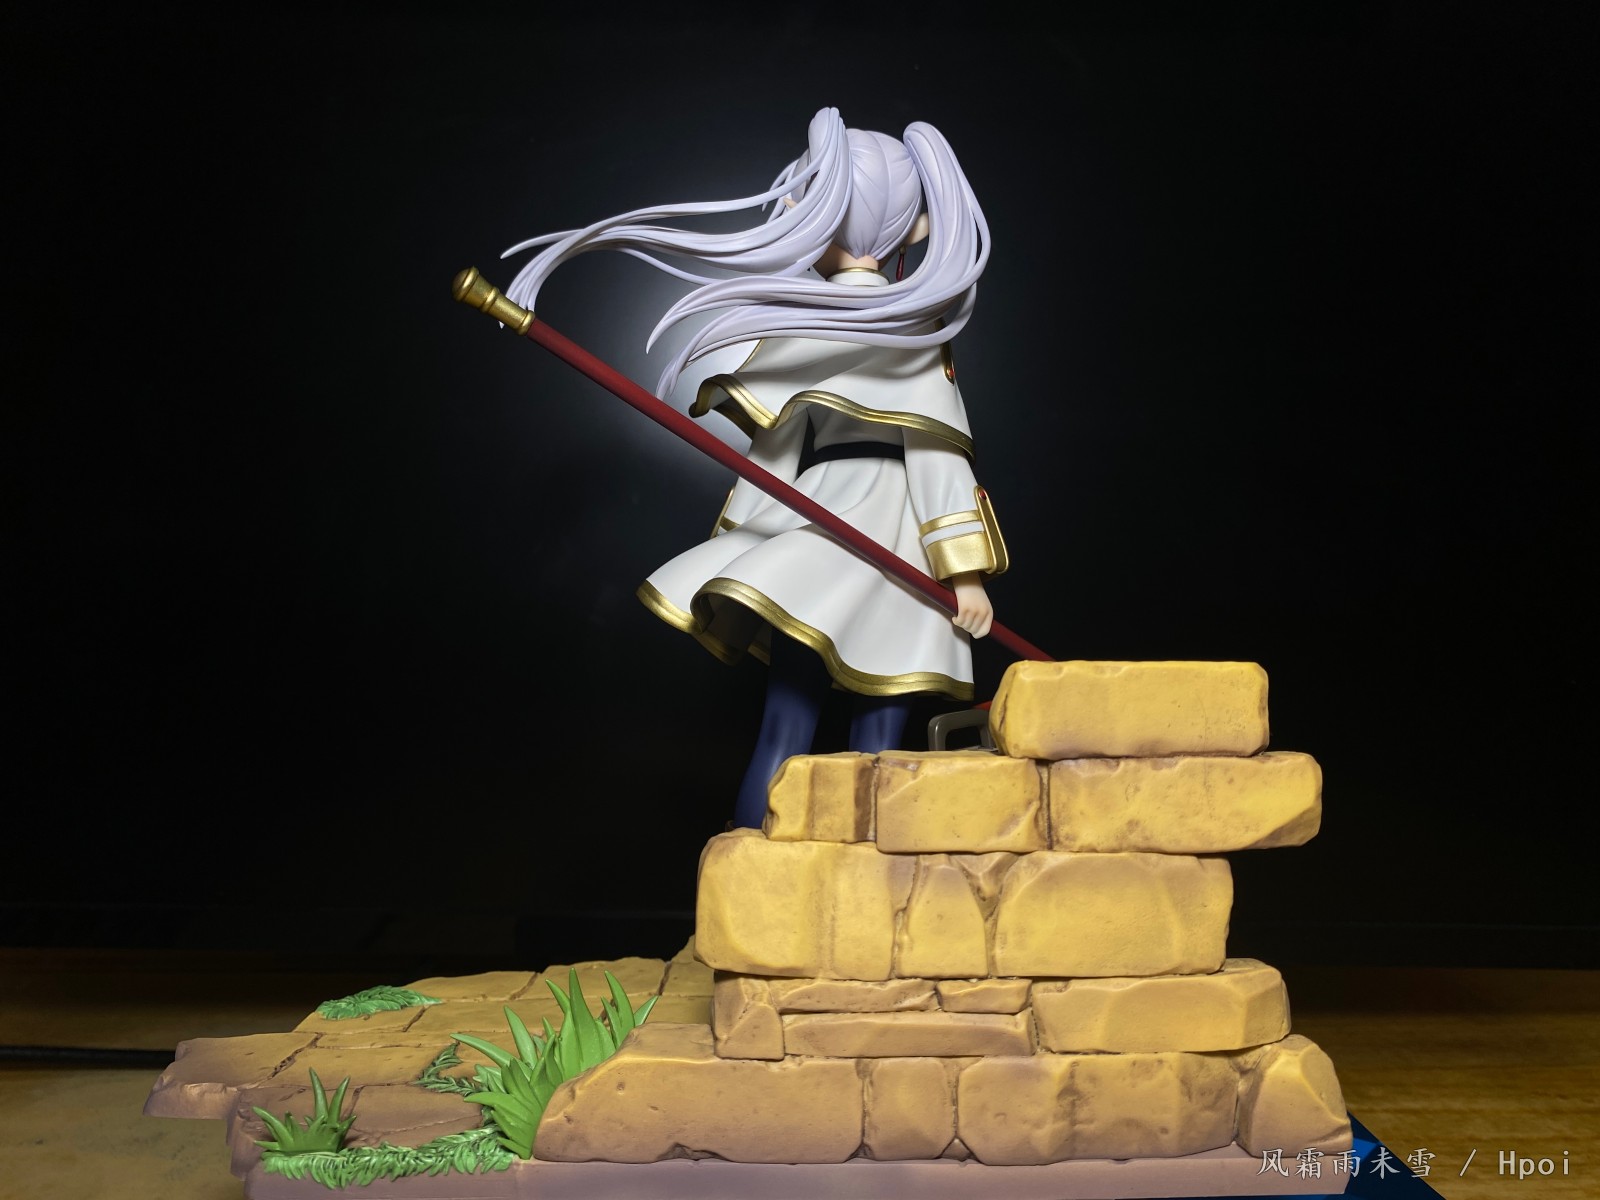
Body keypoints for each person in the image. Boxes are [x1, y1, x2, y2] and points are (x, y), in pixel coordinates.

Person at [502, 107, 1007, 829]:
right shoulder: (897, 328)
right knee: (874, 752)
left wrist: (959, 572)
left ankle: (761, 871)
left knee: (789, 732)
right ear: (909, 230)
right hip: (886, 548)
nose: (793, 212)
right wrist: (961, 570)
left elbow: (850, 448)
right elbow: (917, 454)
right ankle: (798, 879)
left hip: (842, 545)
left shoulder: (833, 325)